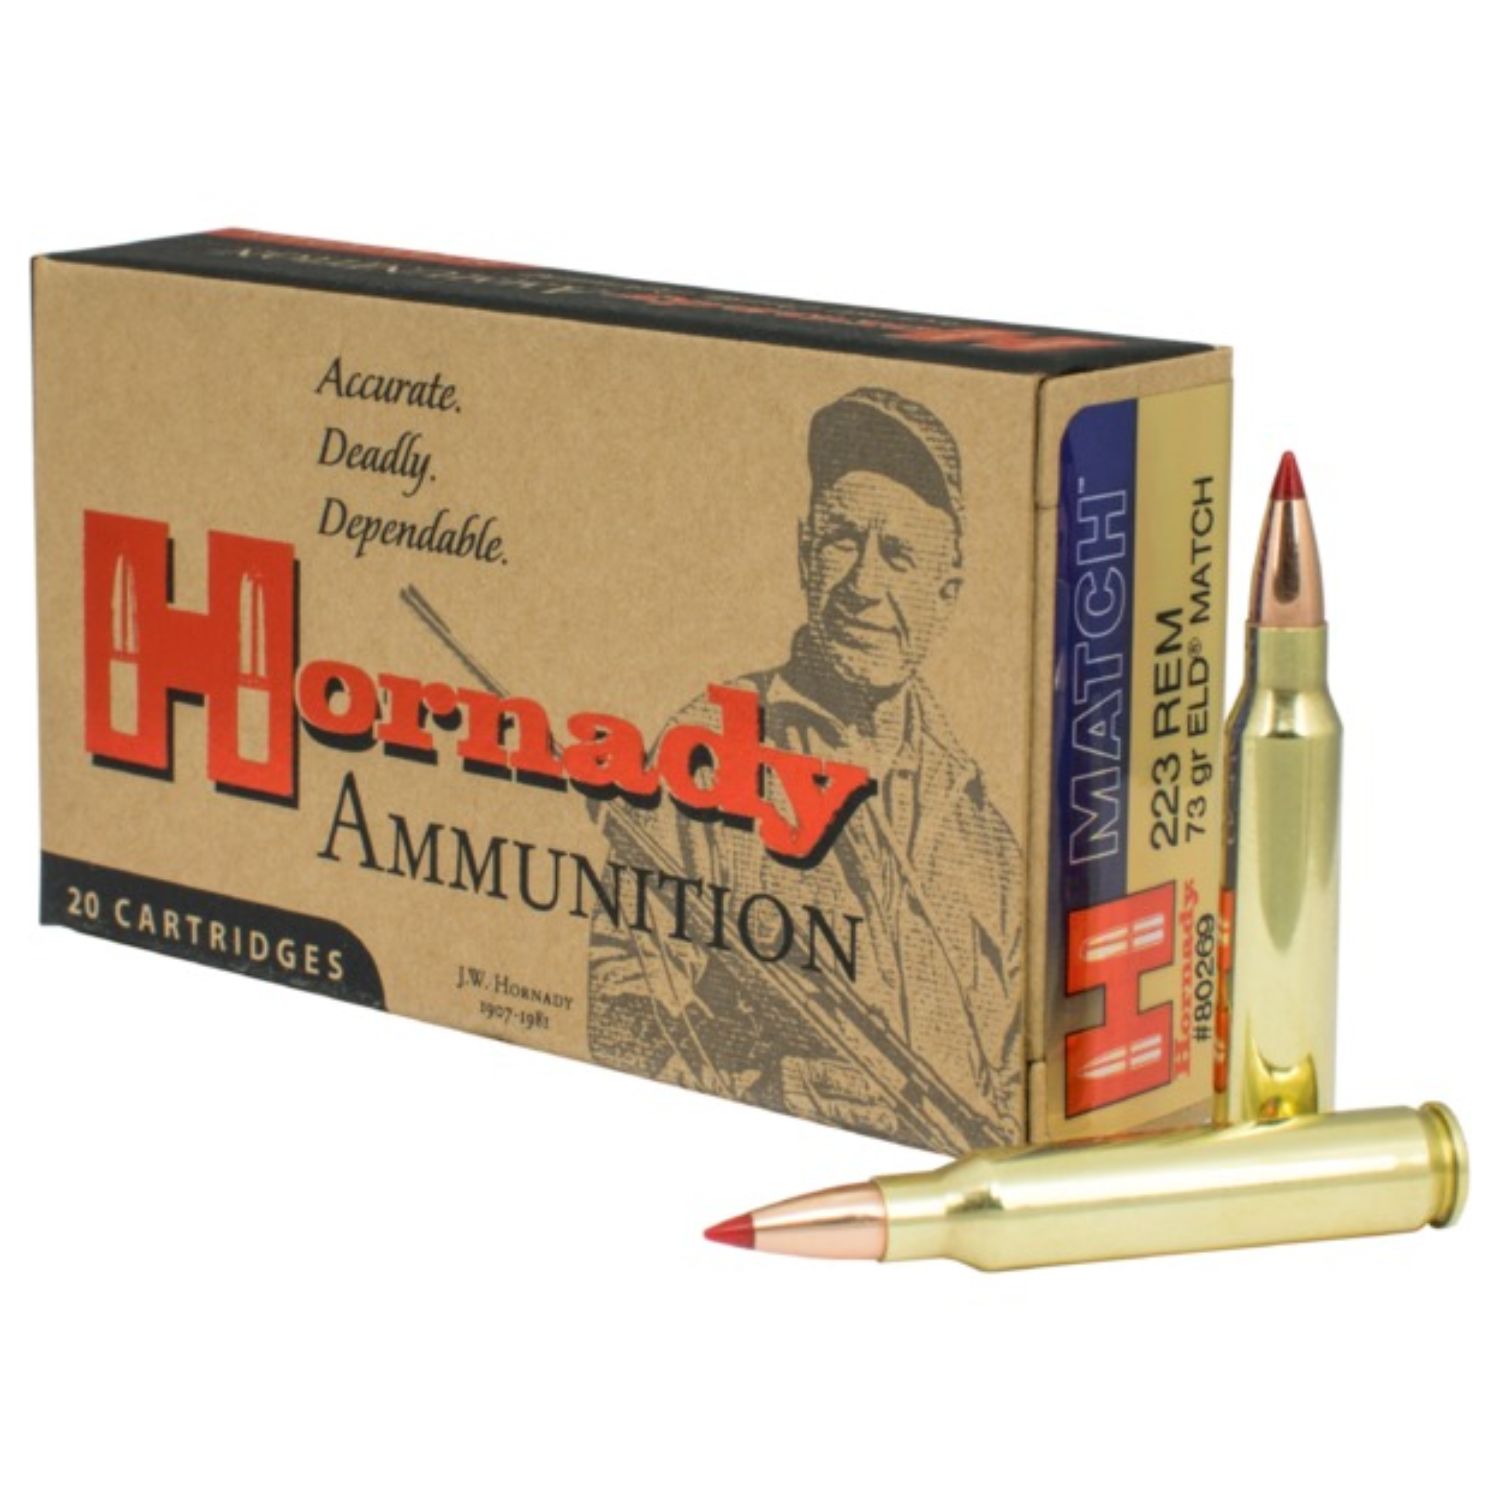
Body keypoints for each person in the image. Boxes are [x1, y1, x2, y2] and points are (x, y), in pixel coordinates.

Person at [587, 387, 1024, 1148]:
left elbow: (1018, 1082)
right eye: (842, 542)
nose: (864, 585)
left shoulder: (983, 834)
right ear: (803, 554)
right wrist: (770, 1092)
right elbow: (619, 1022)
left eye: (898, 556)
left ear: (946, 592)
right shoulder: (709, 747)